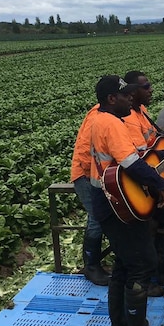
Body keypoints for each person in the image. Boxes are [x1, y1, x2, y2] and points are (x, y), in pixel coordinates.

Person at [87, 76, 164, 326]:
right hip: (116, 202)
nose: (131, 100)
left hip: (107, 198)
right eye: (126, 96)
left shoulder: (100, 119)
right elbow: (131, 163)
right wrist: (159, 184)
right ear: (112, 99)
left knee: (124, 263)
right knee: (143, 262)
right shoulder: (111, 123)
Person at [123, 70, 164, 290]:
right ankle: (148, 279)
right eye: (146, 86)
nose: (151, 90)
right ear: (132, 92)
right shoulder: (128, 119)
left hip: (149, 177)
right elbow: (139, 158)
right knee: (145, 229)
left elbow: (154, 144)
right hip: (138, 181)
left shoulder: (141, 112)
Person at [69, 101, 109, 286]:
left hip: (100, 175)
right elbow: (86, 153)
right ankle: (91, 266)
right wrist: (96, 178)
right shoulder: (96, 117)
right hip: (87, 175)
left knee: (102, 217)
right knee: (96, 218)